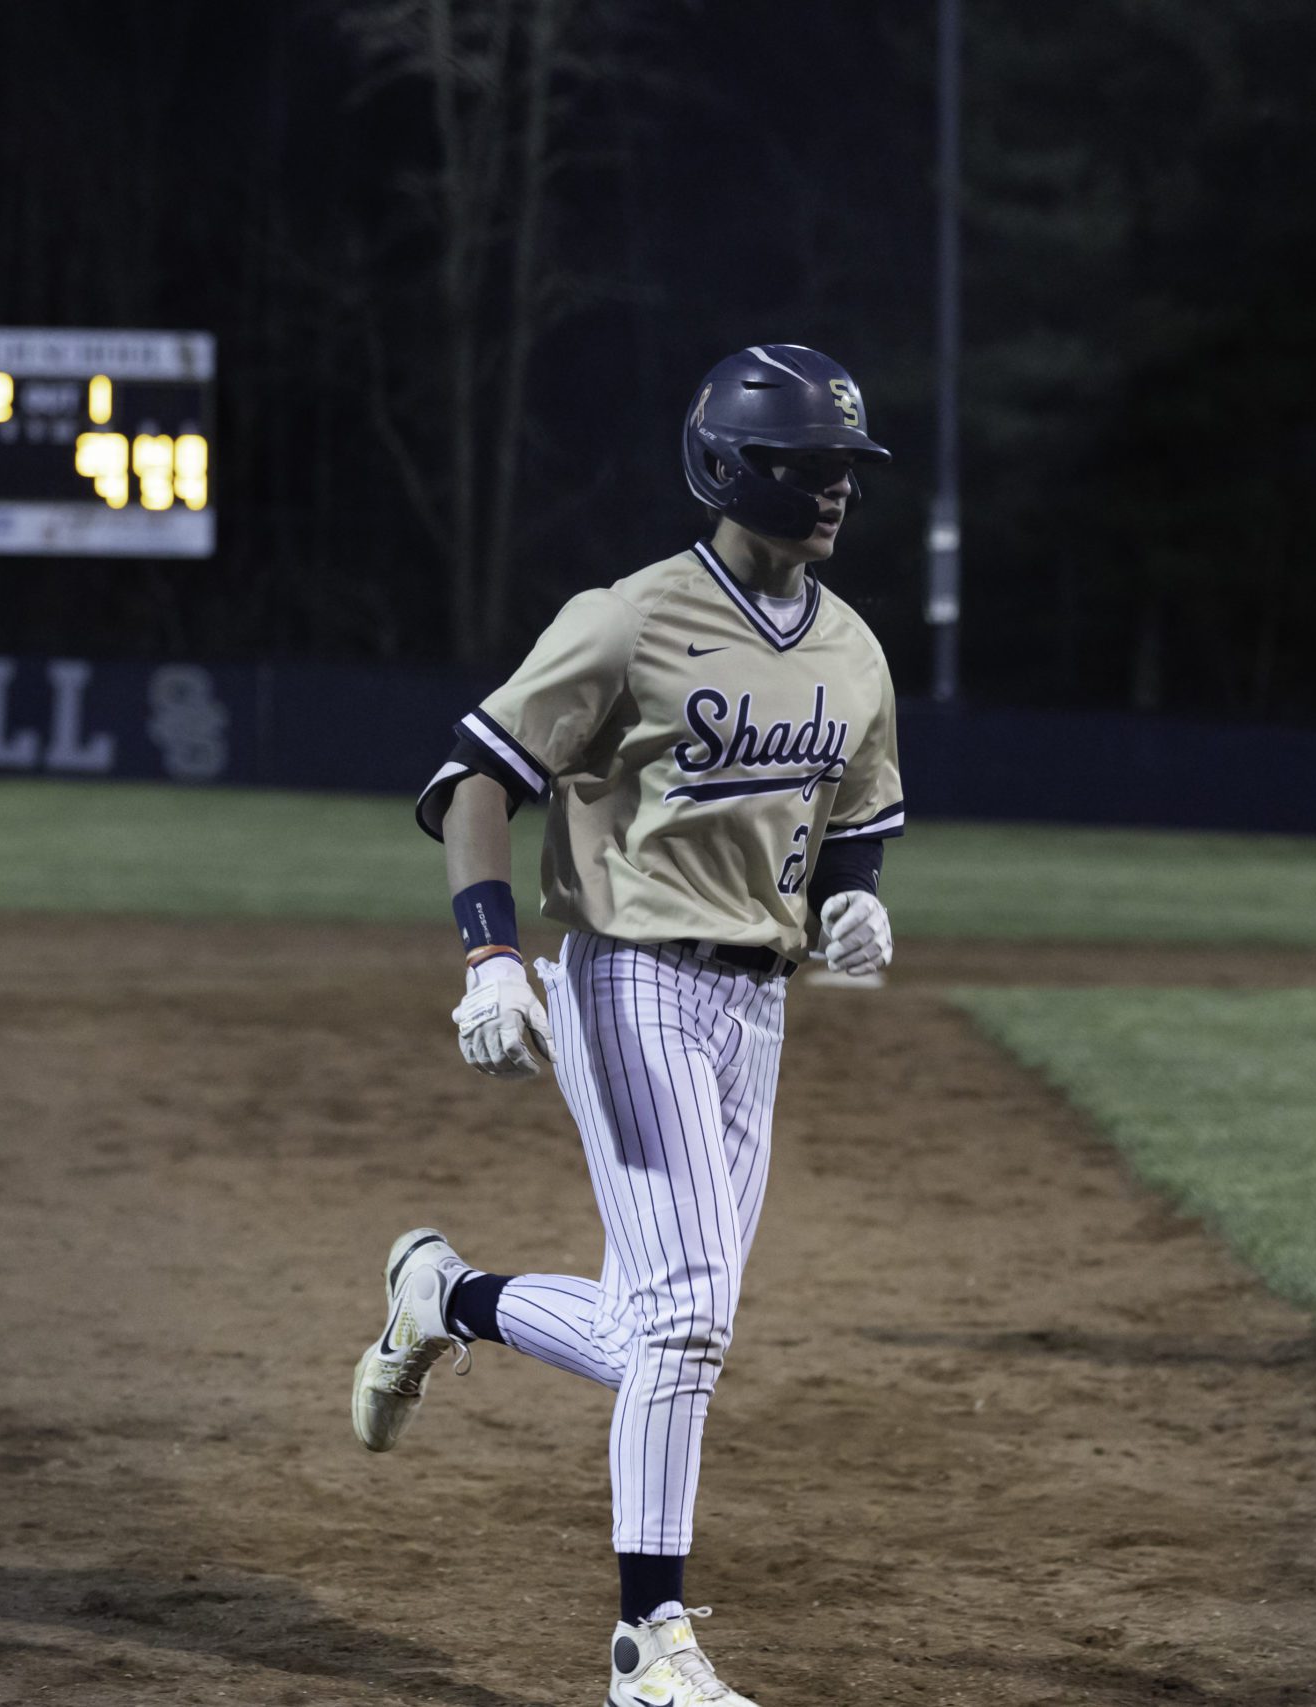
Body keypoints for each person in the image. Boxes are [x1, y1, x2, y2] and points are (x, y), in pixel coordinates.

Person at [349, 345, 905, 1707]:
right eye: (803, 463)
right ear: (726, 466)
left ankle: (447, 1293)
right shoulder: (628, 619)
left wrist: (851, 908)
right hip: (630, 977)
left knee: (669, 1321)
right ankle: (646, 1641)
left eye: (844, 465)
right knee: (694, 1321)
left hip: (756, 1004)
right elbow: (476, 775)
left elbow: (854, 830)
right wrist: (491, 957)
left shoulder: (852, 647)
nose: (834, 487)